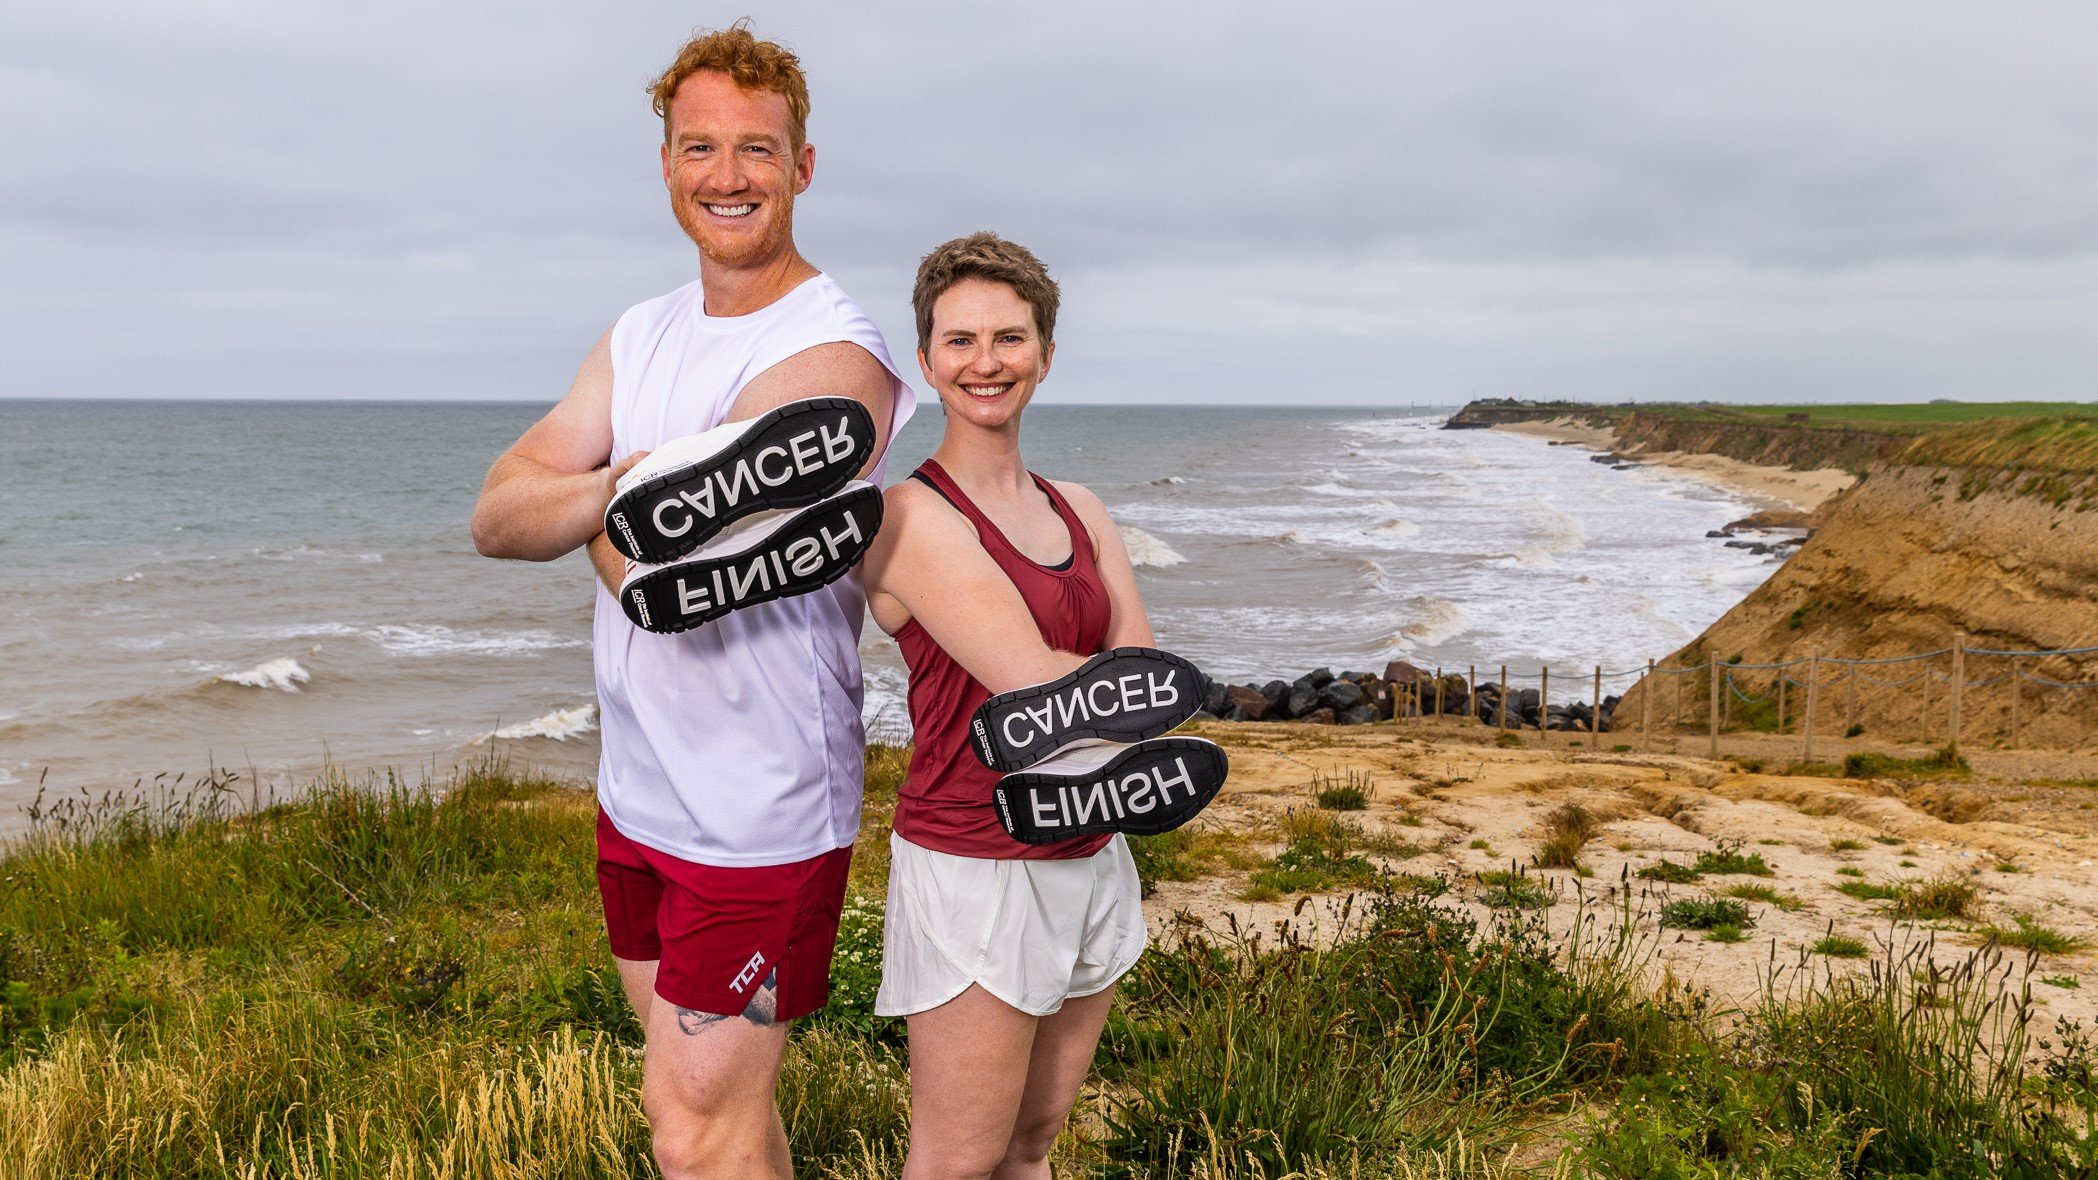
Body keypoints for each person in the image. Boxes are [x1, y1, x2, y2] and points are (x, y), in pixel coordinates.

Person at [468, 23, 913, 1180]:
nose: (729, 177)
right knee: (720, 1120)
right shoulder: (638, 333)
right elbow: (499, 515)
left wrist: (600, 508)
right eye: (701, 148)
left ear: (803, 167)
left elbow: (668, 567)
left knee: (690, 1124)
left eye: (757, 150)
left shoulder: (840, 350)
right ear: (665, 163)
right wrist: (623, 493)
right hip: (640, 786)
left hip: (762, 801)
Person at [864, 233, 1162, 1179]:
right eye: (959, 341)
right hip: (975, 864)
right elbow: (1042, 687)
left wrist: (1105, 689)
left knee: (1030, 1151)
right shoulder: (908, 515)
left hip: (1090, 845)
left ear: (1045, 353)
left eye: (1009, 337)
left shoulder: (1080, 506)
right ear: (925, 361)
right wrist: (1101, 683)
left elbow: (1144, 683)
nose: (985, 362)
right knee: (958, 1159)